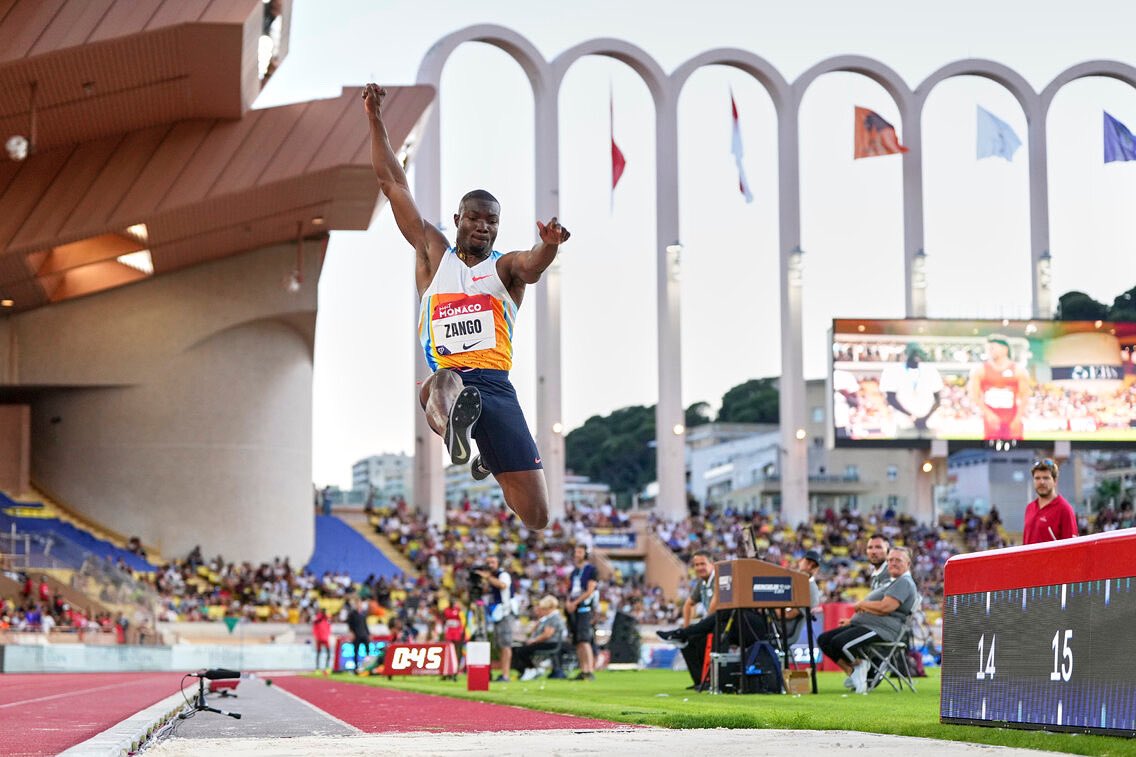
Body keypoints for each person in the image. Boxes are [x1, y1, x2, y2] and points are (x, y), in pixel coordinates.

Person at [362, 83, 570, 530]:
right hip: (450, 379)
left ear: (498, 227)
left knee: (537, 516)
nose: (482, 226)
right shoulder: (433, 253)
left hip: (495, 389)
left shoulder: (506, 267)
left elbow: (533, 267)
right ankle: (458, 431)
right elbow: (392, 183)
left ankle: (485, 455)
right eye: (473, 218)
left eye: (491, 221)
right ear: (458, 220)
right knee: (439, 386)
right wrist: (374, 118)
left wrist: (548, 246)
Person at [817, 547, 919, 694]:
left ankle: (861, 669)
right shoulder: (893, 582)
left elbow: (886, 607)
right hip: (868, 625)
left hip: (884, 630)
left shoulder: (904, 582)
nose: (893, 563)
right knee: (824, 639)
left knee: (840, 643)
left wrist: (862, 604)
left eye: (898, 560)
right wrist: (853, 621)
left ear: (908, 564)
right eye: (890, 560)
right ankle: (855, 672)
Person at [656, 550, 717, 688]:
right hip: (708, 623)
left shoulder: (718, 579)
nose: (699, 567)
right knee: (687, 642)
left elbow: (716, 604)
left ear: (712, 564)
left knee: (697, 640)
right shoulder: (702, 583)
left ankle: (679, 634)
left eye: (703, 563)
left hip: (720, 623)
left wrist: (701, 626)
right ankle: (699, 681)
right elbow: (689, 604)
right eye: (696, 565)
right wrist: (687, 626)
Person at [968, 334, 1030, 441]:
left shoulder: (1018, 371)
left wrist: (1017, 418)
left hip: (1012, 420)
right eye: (988, 348)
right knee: (991, 452)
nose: (989, 351)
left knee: (1017, 452)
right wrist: (988, 414)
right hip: (991, 421)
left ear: (1005, 349)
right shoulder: (980, 371)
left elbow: (1025, 396)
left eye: (992, 348)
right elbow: (974, 395)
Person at [878, 344, 943, 437]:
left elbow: (938, 399)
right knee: (904, 451)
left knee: (939, 450)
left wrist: (925, 418)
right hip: (905, 425)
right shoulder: (892, 371)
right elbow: (891, 399)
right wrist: (912, 417)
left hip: (930, 424)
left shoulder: (931, 370)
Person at [476, 554, 515, 682]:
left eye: (492, 562)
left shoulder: (503, 574)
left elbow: (503, 585)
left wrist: (487, 577)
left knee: (505, 644)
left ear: (498, 563)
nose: (490, 565)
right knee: (500, 644)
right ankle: (502, 673)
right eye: (488, 562)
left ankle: (505, 674)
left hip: (505, 612)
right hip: (496, 613)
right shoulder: (491, 577)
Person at [511, 595, 567, 681]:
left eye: (544, 609)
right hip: (548, 643)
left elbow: (547, 634)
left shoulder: (554, 618)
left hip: (550, 643)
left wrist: (533, 641)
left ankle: (532, 669)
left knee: (522, 651)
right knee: (518, 649)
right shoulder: (548, 618)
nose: (543, 611)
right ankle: (528, 670)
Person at [1022, 458, 1078, 545]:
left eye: (1046, 478)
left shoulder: (1064, 509)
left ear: (1055, 481)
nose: (1041, 482)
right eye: (1037, 478)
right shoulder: (1030, 508)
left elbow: (1072, 549)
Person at [777, 549, 823, 649]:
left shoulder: (811, 591)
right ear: (801, 561)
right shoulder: (793, 580)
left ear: (816, 570)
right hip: (774, 623)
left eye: (814, 566)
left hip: (782, 628)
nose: (809, 567)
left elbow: (788, 615)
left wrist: (769, 610)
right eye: (808, 562)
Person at [565, 544, 598, 681]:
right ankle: (583, 669)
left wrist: (575, 602)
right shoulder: (574, 572)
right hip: (574, 608)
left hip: (584, 608)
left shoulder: (591, 570)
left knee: (585, 640)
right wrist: (568, 602)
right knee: (578, 640)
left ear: (585, 554)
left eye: (580, 552)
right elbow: (570, 590)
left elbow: (590, 590)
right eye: (576, 552)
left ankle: (589, 670)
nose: (577, 554)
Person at [345, 596, 371, 674]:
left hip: (364, 634)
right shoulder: (352, 614)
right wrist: (351, 633)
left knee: (367, 649)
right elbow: (349, 625)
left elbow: (365, 624)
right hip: (356, 635)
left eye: (360, 603)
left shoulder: (363, 613)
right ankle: (356, 668)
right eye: (357, 603)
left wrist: (368, 634)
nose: (359, 605)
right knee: (356, 651)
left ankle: (367, 665)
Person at [312, 608, 332, 672]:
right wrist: (316, 637)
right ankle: (318, 668)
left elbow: (329, 629)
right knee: (319, 653)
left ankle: (326, 667)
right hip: (320, 638)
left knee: (328, 653)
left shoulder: (326, 620)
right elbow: (314, 629)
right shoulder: (317, 620)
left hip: (325, 638)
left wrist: (327, 635)